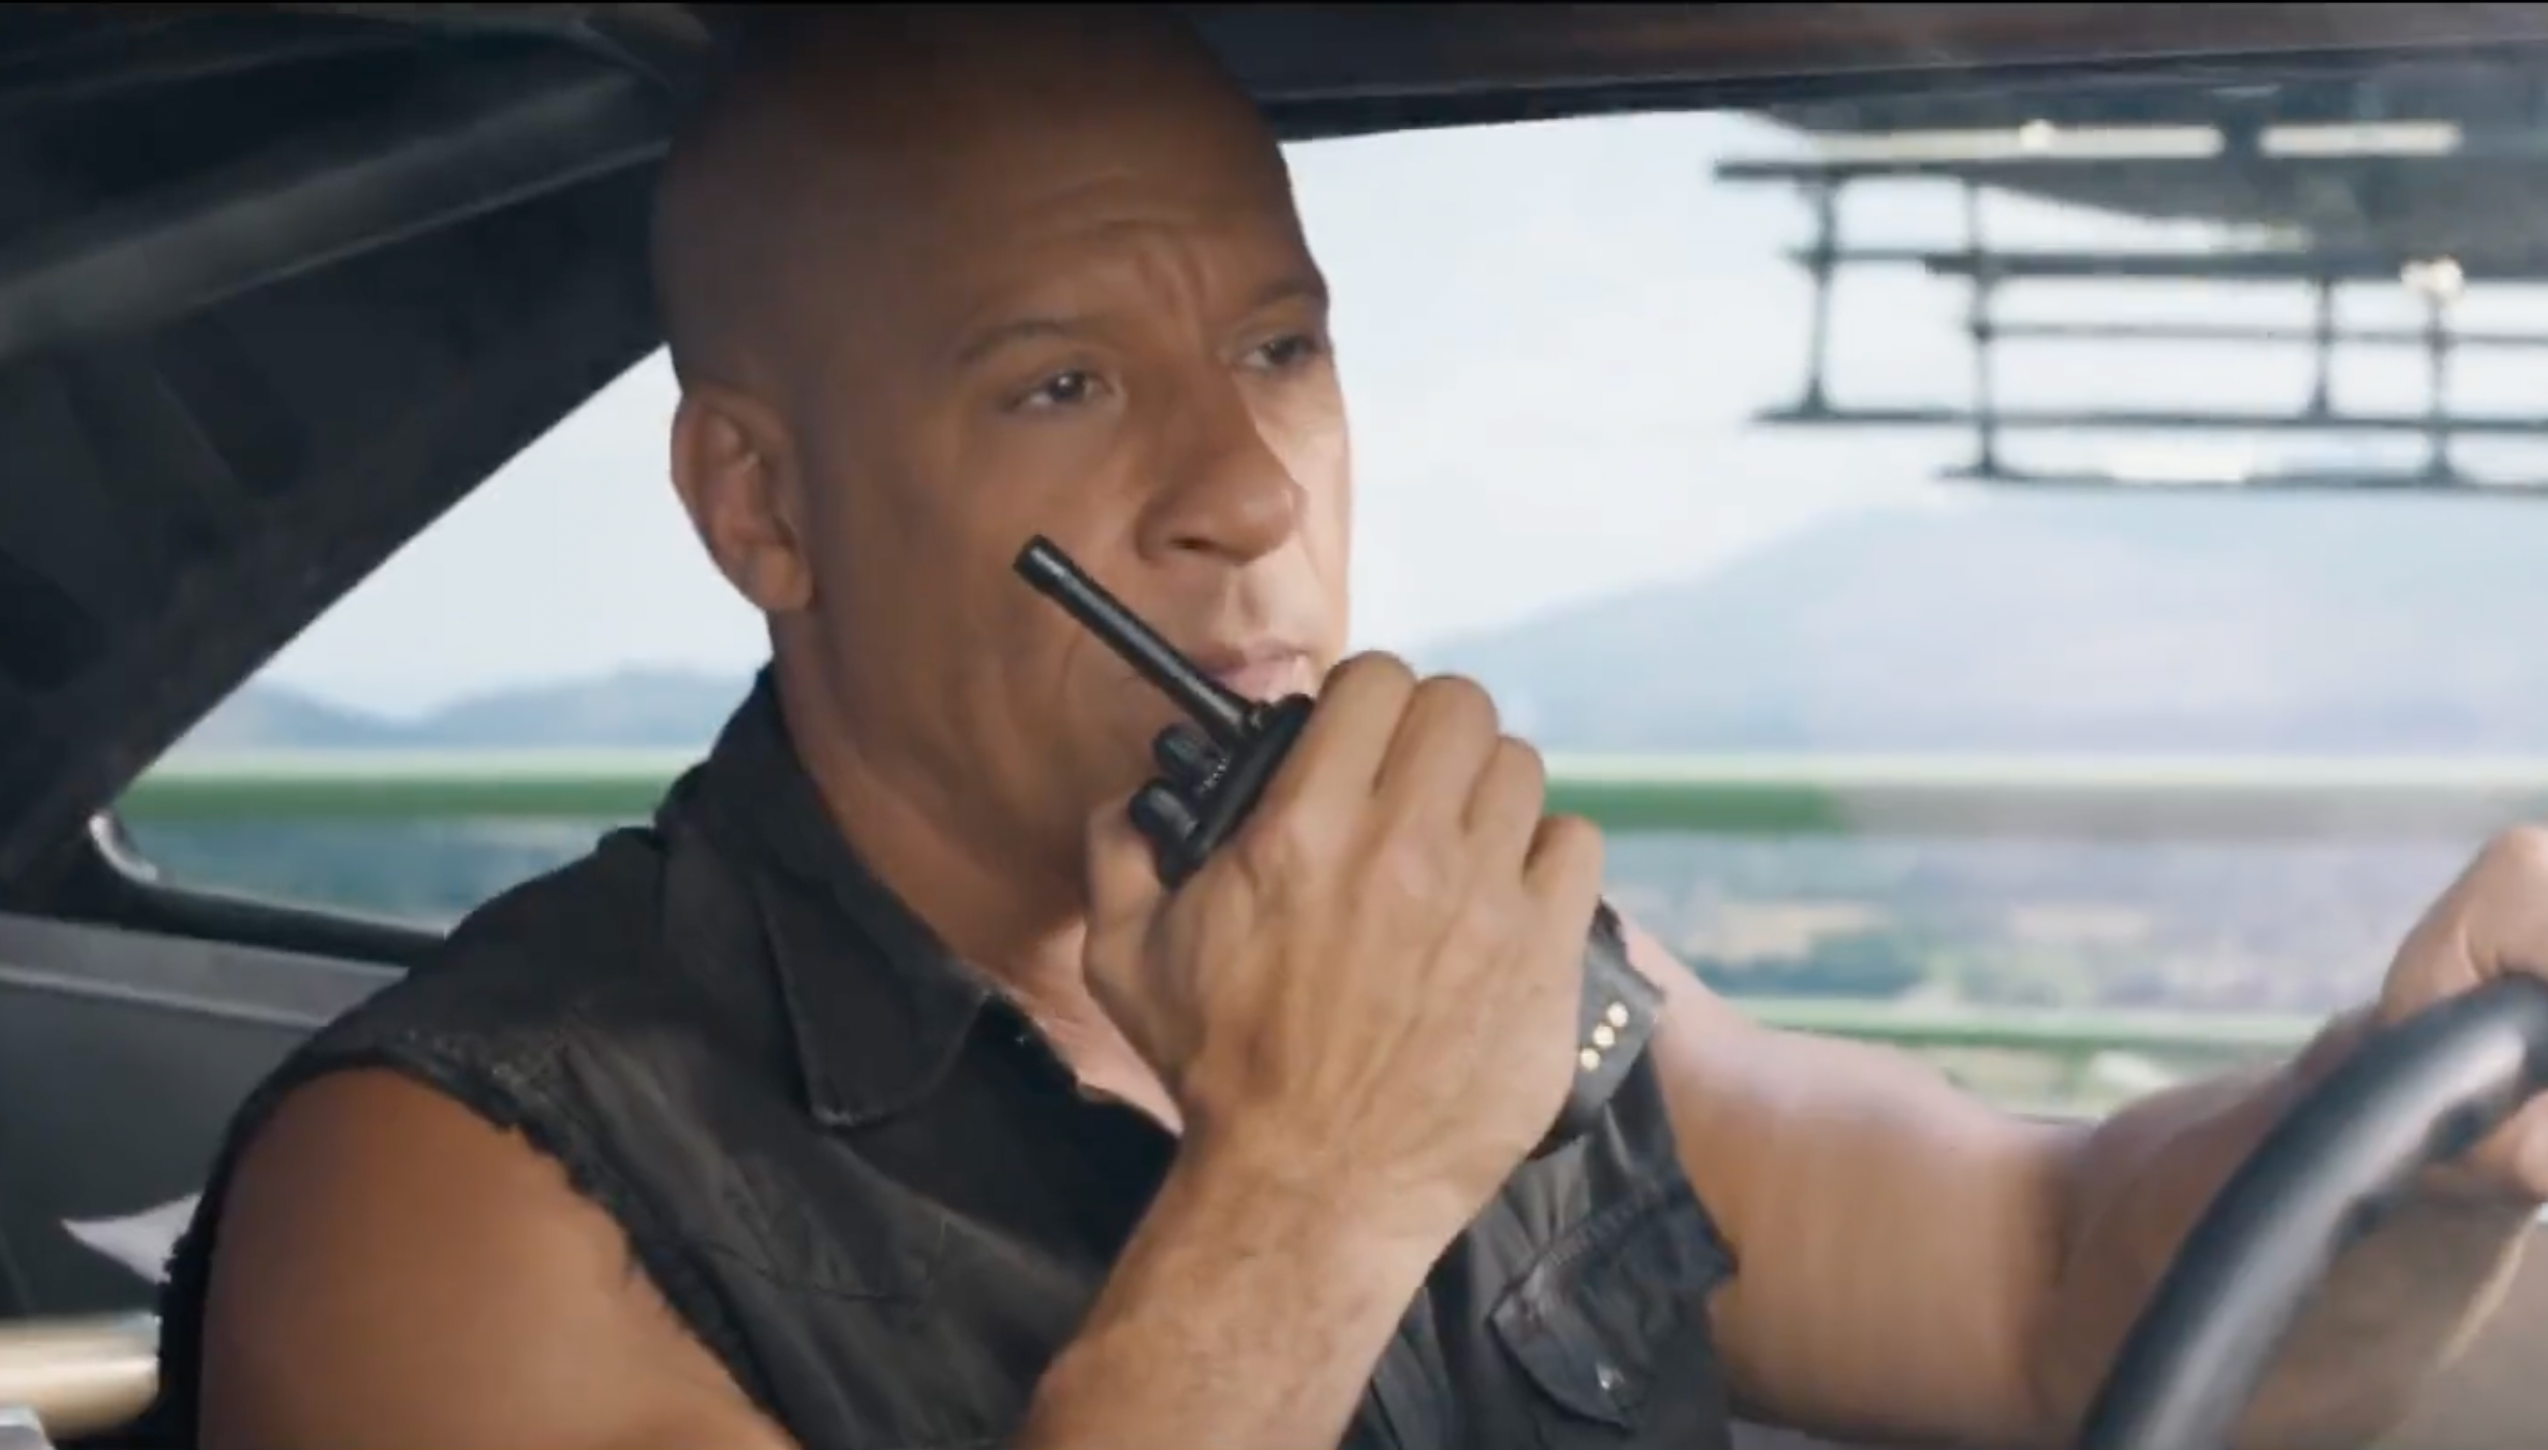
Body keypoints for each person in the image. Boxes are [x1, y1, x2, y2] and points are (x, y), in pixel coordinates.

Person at [139, 9, 2548, 1450]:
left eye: (1277, 349)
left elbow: (2044, 1284)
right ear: (762, 503)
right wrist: (1303, 1189)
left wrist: (2408, 1124)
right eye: (1062, 383)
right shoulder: (450, 1199)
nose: (1249, 488)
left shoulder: (1457, 965)